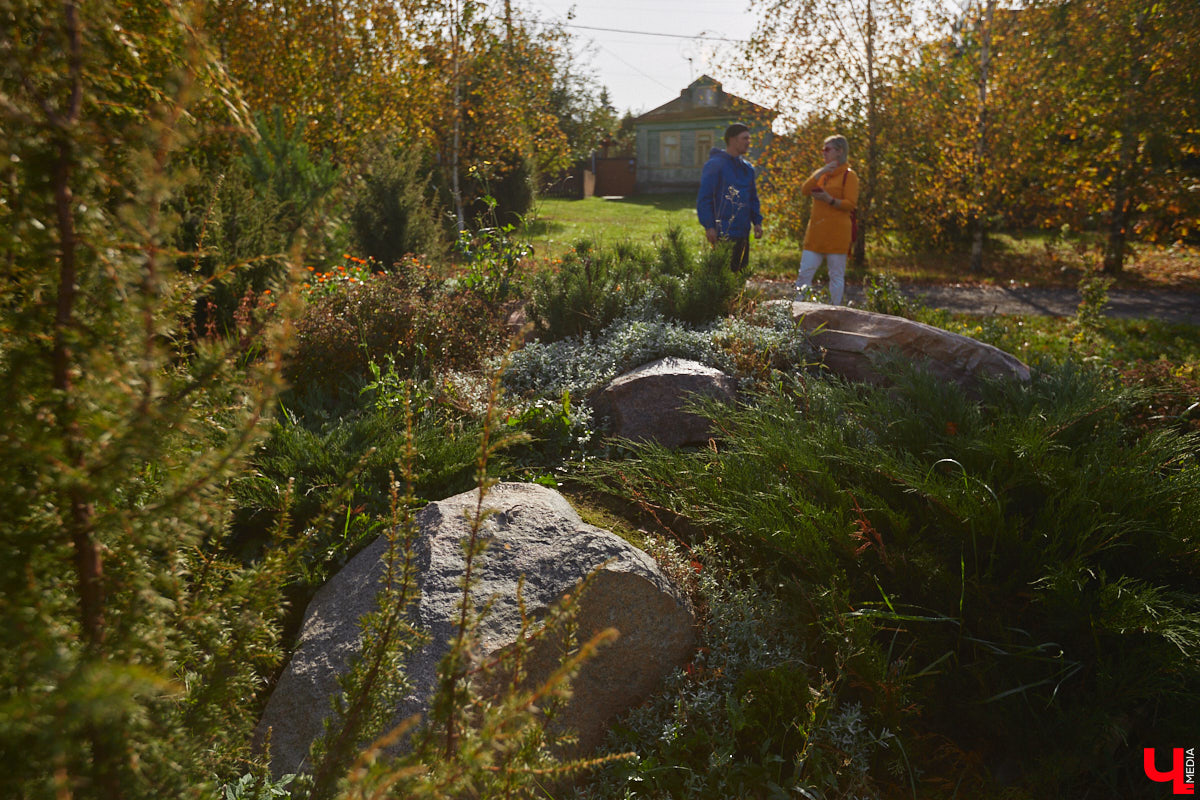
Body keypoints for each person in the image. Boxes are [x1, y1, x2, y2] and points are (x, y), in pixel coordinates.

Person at [795, 135, 858, 304]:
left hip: (837, 234)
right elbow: (805, 190)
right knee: (804, 274)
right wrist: (821, 171)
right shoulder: (822, 174)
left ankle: (834, 311)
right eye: (823, 149)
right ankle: (798, 310)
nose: (824, 152)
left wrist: (829, 199)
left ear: (839, 151)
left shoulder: (849, 176)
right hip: (816, 233)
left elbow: (851, 204)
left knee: (836, 276)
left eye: (827, 149)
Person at [697, 122, 764, 273]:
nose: (748, 142)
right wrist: (709, 226)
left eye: (749, 139)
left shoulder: (747, 168)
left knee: (740, 276)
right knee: (722, 277)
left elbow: (752, 198)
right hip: (723, 234)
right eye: (745, 138)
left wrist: (757, 222)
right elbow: (705, 198)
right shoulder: (715, 165)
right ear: (732, 140)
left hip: (743, 232)